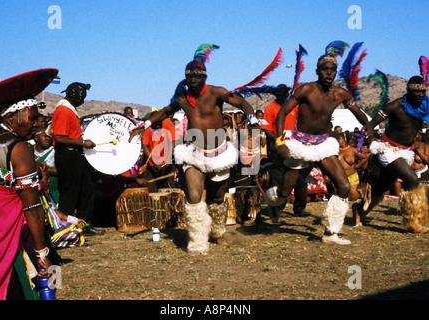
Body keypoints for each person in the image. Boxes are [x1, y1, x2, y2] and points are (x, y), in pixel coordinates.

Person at [130, 46, 256, 255]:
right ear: (185, 78)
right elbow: (166, 111)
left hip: (219, 154)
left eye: (198, 75)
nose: (193, 79)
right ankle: (197, 241)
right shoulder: (182, 98)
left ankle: (218, 231)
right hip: (194, 154)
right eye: (189, 76)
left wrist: (251, 116)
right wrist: (144, 124)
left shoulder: (216, 92)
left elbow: (240, 101)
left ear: (205, 76)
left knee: (217, 199)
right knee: (194, 198)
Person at [266, 49, 370, 245]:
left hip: (323, 144)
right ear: (317, 71)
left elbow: (359, 113)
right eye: (324, 69)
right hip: (300, 144)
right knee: (284, 191)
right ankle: (274, 203)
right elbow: (282, 114)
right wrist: (280, 143)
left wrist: (369, 127)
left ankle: (330, 233)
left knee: (344, 186)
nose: (329, 73)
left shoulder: (341, 94)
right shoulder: (305, 90)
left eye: (332, 70)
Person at [0, 73, 53, 299]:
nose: (36, 126)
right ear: (11, 117)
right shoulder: (20, 149)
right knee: (34, 283)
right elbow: (32, 208)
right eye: (31, 119)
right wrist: (42, 253)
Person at [354, 76, 429, 233]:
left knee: (382, 187)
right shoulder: (395, 106)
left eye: (423, 91)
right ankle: (412, 221)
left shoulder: (426, 106)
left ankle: (359, 209)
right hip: (388, 150)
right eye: (417, 92)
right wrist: (372, 141)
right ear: (408, 91)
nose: (421, 95)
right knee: (412, 178)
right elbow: (370, 125)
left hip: (406, 152)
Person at [52, 82, 105, 236]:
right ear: (76, 96)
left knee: (86, 189)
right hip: (67, 154)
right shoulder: (63, 111)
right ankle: (63, 227)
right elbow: (59, 138)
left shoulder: (69, 110)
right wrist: (83, 143)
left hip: (73, 154)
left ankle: (84, 225)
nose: (83, 102)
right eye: (82, 98)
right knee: (70, 192)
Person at [261, 84, 309, 221]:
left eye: (286, 92)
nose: (284, 95)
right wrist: (280, 141)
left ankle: (300, 208)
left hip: (295, 144)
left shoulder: (293, 105)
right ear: (276, 94)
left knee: (300, 175)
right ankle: (276, 208)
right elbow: (267, 130)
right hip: (277, 144)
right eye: (280, 93)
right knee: (277, 176)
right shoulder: (270, 108)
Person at [141, 113, 177, 192]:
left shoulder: (168, 124)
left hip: (167, 165)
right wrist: (154, 162)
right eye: (156, 125)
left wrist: (168, 158)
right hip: (151, 165)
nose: (158, 127)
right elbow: (145, 146)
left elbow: (172, 142)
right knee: (152, 193)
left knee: (169, 193)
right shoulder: (146, 128)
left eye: (160, 124)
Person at [336, 132, 367, 202]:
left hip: (351, 175)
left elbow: (364, 158)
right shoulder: (335, 150)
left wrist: (357, 166)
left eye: (338, 139)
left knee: (354, 196)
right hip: (339, 177)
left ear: (344, 139)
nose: (337, 141)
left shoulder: (353, 150)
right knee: (338, 196)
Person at [34, 126, 60, 204]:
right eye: (45, 136)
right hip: (37, 196)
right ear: (36, 138)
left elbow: (63, 171)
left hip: (55, 194)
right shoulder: (29, 151)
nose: (48, 138)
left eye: (49, 136)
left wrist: (45, 169)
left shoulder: (55, 151)